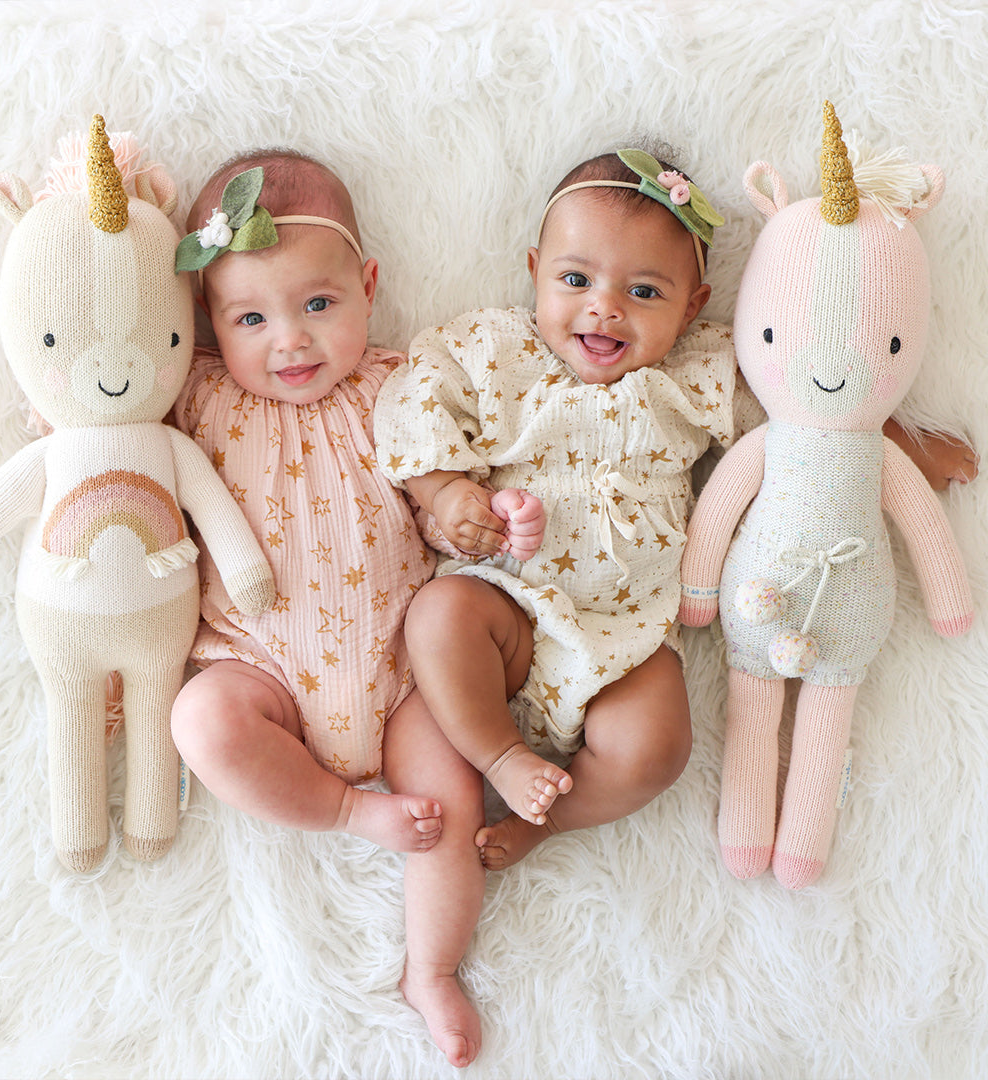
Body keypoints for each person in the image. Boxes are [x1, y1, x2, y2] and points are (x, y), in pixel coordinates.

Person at [374, 147, 978, 878]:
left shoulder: (701, 370)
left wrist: (907, 444)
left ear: (693, 307)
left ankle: (552, 818)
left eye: (645, 292)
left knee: (657, 748)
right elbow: (416, 395)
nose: (605, 306)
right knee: (438, 617)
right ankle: (499, 757)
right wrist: (445, 492)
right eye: (575, 279)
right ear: (534, 269)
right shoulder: (494, 350)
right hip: (509, 603)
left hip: (627, 639)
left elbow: (811, 424)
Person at [169, 150, 484, 1067]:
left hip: (400, 674)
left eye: (318, 305)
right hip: (255, 670)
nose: (291, 342)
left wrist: (465, 511)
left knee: (450, 797)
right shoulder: (196, 396)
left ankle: (432, 967)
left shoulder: (396, 387)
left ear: (368, 285)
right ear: (206, 323)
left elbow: (438, 484)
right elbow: (118, 436)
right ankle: (343, 810)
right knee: (204, 723)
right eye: (251, 318)